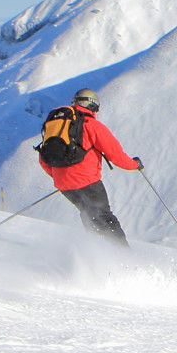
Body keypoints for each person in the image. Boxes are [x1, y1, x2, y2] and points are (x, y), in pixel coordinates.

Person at [37, 87, 141, 244]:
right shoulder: (91, 125)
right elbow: (115, 155)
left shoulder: (57, 125)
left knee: (88, 214)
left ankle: (94, 249)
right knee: (105, 217)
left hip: (63, 183)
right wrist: (134, 164)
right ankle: (122, 254)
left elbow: (44, 158)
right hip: (87, 181)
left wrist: (62, 175)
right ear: (93, 106)